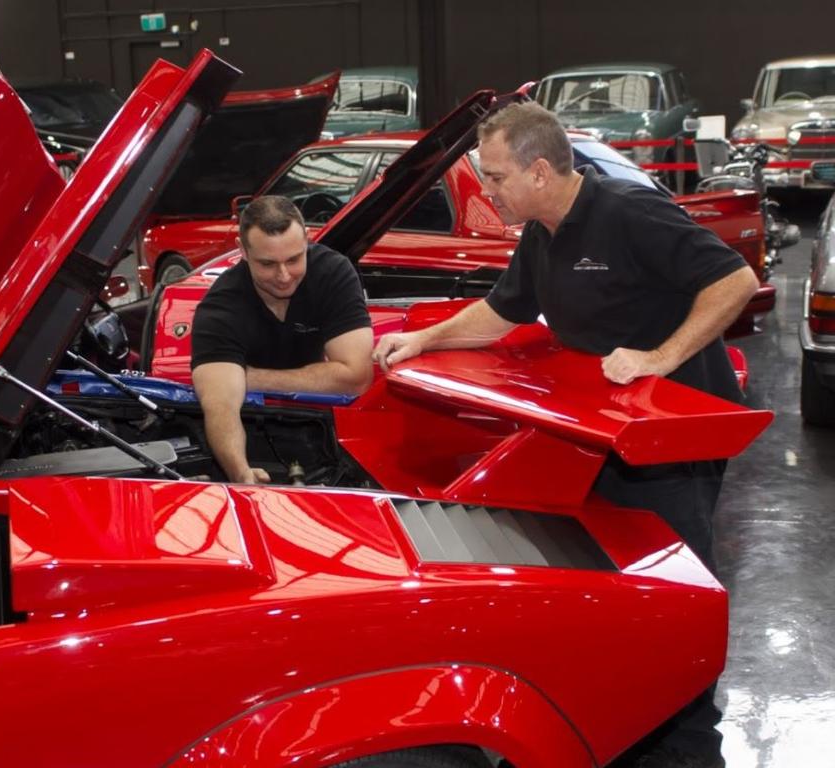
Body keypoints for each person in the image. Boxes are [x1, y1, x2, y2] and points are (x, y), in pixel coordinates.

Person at [373, 102, 759, 768]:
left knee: (678, 591)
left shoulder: (630, 213)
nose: (487, 192)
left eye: (495, 177)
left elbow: (736, 280)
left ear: (540, 171)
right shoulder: (543, 233)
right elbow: (503, 311)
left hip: (673, 439)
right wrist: (422, 340)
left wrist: (659, 357)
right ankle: (636, 719)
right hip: (607, 432)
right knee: (618, 586)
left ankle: (693, 742)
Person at [191, 195, 373, 484]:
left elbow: (357, 377)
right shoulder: (220, 308)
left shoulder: (332, 273)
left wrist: (248, 378)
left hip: (318, 428)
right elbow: (221, 405)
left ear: (307, 241)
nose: (284, 276)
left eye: (294, 259)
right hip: (250, 434)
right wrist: (239, 471)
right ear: (243, 251)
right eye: (267, 264)